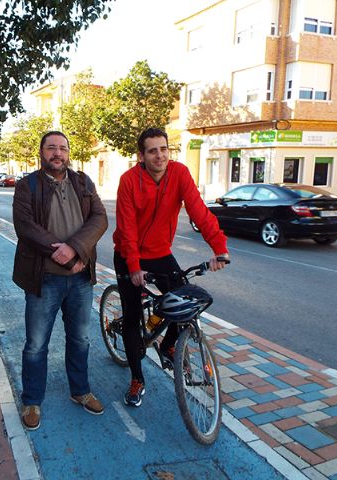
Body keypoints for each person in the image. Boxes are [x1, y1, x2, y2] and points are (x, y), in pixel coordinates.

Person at [113, 128, 230, 407]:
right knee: (132, 318)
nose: (160, 155)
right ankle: (137, 378)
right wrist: (133, 267)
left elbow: (199, 211)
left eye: (164, 149)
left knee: (186, 301)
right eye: (152, 150)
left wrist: (219, 248)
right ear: (141, 155)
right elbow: (126, 228)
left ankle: (168, 345)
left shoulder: (179, 173)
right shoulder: (129, 181)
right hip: (129, 255)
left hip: (161, 253)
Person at [12, 130, 108, 430]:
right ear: (41, 152)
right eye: (51, 148)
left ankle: (80, 391)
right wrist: (61, 252)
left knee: (80, 338)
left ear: (69, 153)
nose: (57, 153)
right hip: (45, 279)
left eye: (63, 148)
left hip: (80, 278)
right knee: (36, 344)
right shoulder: (27, 185)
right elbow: (26, 227)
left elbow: (100, 219)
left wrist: (76, 250)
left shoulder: (83, 182)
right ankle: (32, 400)